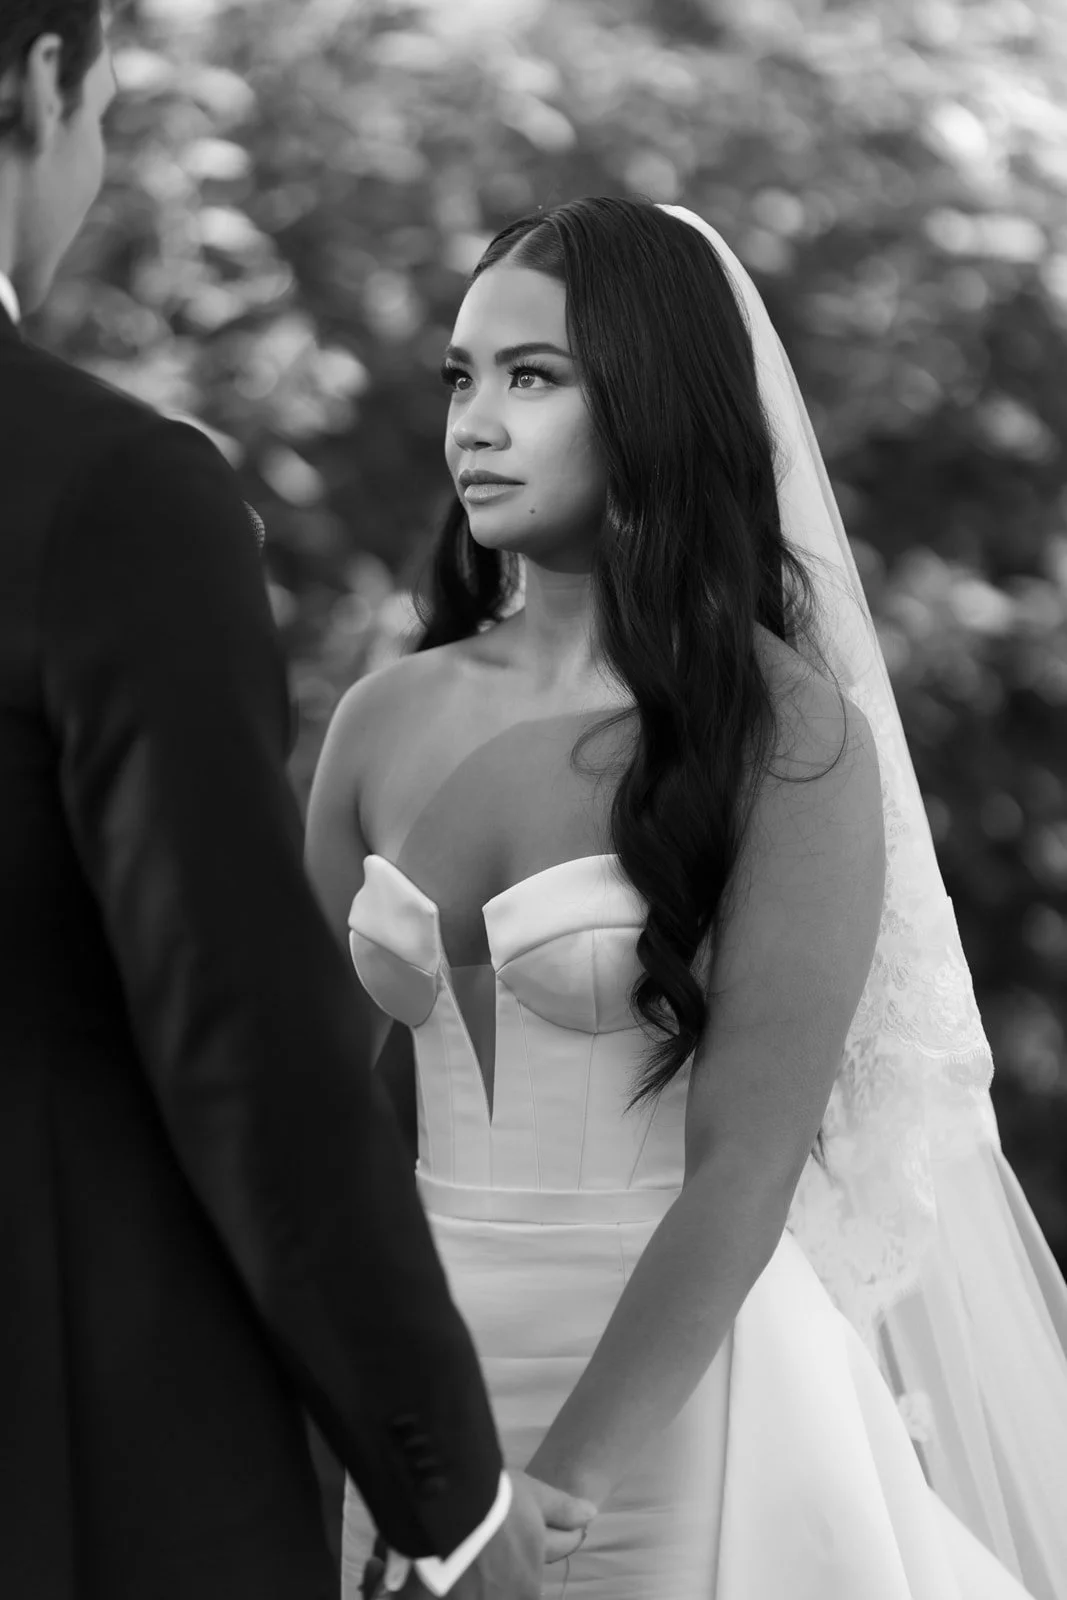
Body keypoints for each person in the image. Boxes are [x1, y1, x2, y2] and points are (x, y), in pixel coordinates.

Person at [307, 194, 1067, 1599]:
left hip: (679, 1415)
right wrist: (374, 1443)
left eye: (531, 378)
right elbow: (305, 1116)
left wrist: (549, 1495)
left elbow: (746, 1164)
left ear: (652, 399)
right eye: (460, 378)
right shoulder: (381, 719)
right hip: (414, 1401)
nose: (473, 421)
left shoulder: (784, 736)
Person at [0, 6, 597, 1596]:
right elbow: (238, 1032)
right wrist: (451, 1498)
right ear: (42, 79)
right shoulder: (107, 493)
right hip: (69, 1460)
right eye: (109, 107)